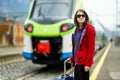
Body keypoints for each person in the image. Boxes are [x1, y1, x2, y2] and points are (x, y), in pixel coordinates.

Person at [67, 9, 96, 80]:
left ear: (85, 17)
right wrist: (72, 58)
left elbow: (91, 48)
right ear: (76, 18)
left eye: (83, 15)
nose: (81, 17)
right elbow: (77, 47)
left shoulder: (90, 29)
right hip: (77, 62)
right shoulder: (76, 30)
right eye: (79, 16)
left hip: (84, 63)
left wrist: (88, 64)